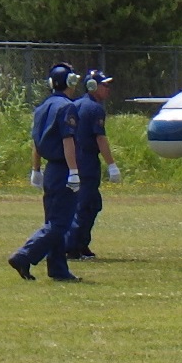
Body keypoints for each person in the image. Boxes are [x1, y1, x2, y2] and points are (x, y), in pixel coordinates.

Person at [8, 63, 82, 281]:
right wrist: (74, 171)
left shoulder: (41, 108)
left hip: (50, 170)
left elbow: (36, 142)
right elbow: (67, 141)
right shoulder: (67, 107)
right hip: (62, 168)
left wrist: (36, 169)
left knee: (54, 221)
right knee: (60, 223)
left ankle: (58, 269)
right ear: (69, 82)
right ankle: (25, 255)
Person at [66, 68, 120, 260]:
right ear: (93, 86)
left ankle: (81, 244)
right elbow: (100, 139)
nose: (108, 89)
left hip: (74, 158)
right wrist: (111, 165)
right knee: (85, 205)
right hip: (87, 161)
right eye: (104, 85)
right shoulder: (95, 109)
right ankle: (72, 246)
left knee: (90, 204)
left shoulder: (74, 105)